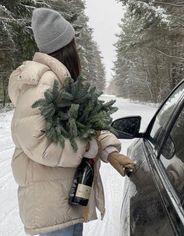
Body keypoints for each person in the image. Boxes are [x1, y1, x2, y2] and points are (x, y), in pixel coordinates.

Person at [8, 8, 134, 236]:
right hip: (52, 206)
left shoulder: (63, 82)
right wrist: (87, 148)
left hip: (63, 200)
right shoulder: (44, 82)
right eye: (73, 43)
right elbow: (35, 141)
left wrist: (111, 151)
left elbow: (88, 124)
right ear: (66, 48)